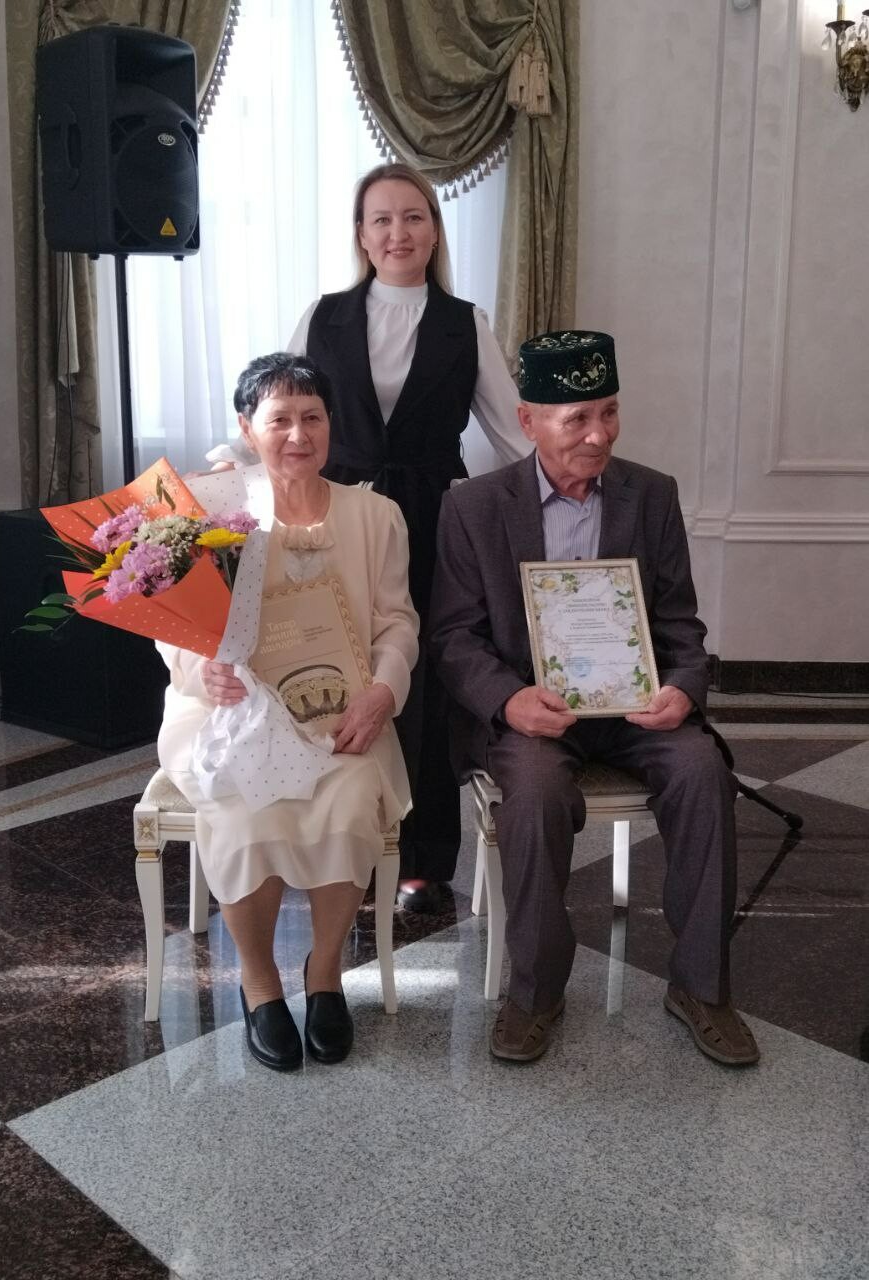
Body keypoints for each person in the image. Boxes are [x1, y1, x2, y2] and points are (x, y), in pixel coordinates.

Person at [429, 331, 760, 1068]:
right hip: (536, 712)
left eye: (609, 413)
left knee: (703, 773)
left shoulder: (651, 493)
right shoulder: (474, 507)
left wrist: (682, 689)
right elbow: (452, 636)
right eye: (577, 418)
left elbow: (679, 623)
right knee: (535, 791)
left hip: (637, 710)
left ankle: (701, 987)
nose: (599, 435)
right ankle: (535, 991)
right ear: (528, 421)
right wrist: (508, 700)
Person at [157, 353, 418, 1072]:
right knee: (245, 810)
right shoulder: (214, 510)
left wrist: (383, 691)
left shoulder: (375, 516)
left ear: (331, 424)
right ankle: (260, 981)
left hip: (343, 711)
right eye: (279, 420)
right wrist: (202, 667)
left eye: (312, 417)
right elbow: (171, 622)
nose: (298, 435)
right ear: (247, 428)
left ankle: (324, 971)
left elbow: (397, 622)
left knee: (350, 801)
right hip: (229, 713)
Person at [288, 161, 530, 913]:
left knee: (419, 681)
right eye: (382, 219)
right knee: (334, 663)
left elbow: (513, 434)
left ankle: (421, 858)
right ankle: (338, 845)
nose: (398, 232)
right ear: (361, 235)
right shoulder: (323, 316)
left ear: (433, 230)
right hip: (337, 513)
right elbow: (284, 411)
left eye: (413, 216)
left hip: (432, 518)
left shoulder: (465, 323)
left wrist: (572, 488)